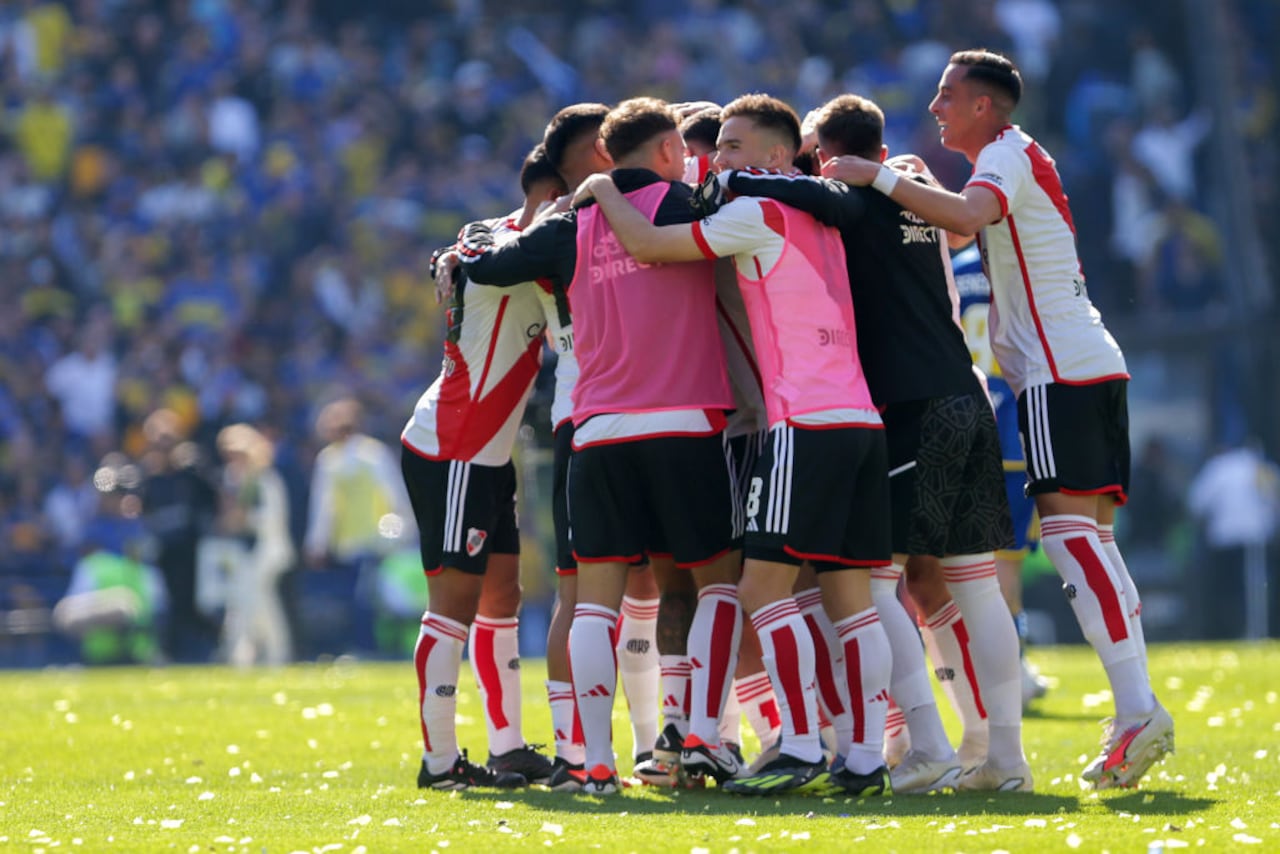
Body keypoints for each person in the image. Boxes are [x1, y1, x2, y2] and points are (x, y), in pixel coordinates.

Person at [826, 49, 1174, 789]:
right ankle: (1132, 710)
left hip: (1058, 369)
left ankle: (1139, 708)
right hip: (1083, 360)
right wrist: (908, 182)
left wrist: (878, 175)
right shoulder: (1013, 158)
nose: (936, 108)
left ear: (985, 105)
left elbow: (966, 216)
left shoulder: (1005, 156)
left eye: (948, 96)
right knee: (1092, 546)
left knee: (1075, 543)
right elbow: (952, 229)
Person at [577, 93, 894, 796]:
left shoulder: (750, 213)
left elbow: (649, 245)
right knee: (853, 601)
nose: (717, 159)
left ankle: (802, 743)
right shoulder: (823, 214)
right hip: (859, 420)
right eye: (716, 146)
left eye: (734, 145)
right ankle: (866, 759)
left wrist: (602, 185)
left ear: (779, 156)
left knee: (757, 587)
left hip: (803, 424)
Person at [714, 93, 1027, 792]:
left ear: (834, 157)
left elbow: (820, 203)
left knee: (869, 582)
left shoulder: (844, 202)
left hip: (909, 406)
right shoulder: (918, 191)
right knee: (973, 582)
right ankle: (1004, 758)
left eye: (814, 158)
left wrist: (735, 176)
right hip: (968, 396)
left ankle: (927, 743)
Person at [467, 97, 742, 795]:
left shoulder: (574, 225)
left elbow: (493, 265)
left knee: (595, 603)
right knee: (716, 585)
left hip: (597, 434)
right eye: (680, 146)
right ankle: (704, 738)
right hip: (685, 426)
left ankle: (591, 762)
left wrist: (551, 216)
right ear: (664, 152)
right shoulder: (690, 205)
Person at [403, 143, 559, 792]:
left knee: (501, 595)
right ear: (551, 192)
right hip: (455, 447)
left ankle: (507, 747)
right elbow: (477, 257)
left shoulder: (490, 237)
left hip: (488, 452)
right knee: (455, 603)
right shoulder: (514, 253)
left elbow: (464, 248)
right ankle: (439, 762)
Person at [303, 397, 412, 657]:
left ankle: (367, 647)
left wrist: (316, 545)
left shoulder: (352, 458)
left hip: (367, 542)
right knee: (364, 598)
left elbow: (325, 508)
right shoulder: (364, 454)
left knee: (365, 599)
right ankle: (368, 647)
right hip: (362, 543)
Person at [138, 408, 219, 663]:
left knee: (195, 604)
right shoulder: (148, 477)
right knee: (169, 605)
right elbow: (142, 510)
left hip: (192, 549)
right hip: (164, 551)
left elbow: (212, 499)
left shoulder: (191, 470)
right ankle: (170, 654)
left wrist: (196, 467)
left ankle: (216, 644)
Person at [213, 424, 295, 668]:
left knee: (258, 600)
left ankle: (267, 651)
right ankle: (261, 652)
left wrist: (244, 519)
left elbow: (273, 519)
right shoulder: (234, 479)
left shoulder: (266, 480)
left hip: (268, 550)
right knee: (256, 602)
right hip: (245, 550)